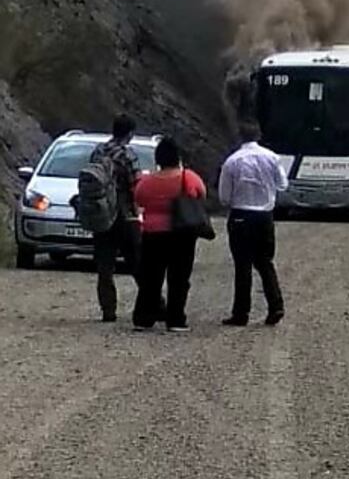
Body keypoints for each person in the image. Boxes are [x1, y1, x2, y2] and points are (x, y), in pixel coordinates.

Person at [132, 137, 206, 332]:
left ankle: (144, 317)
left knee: (150, 277)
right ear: (178, 157)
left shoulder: (147, 182)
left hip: (153, 233)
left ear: (158, 159)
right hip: (182, 233)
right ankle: (176, 319)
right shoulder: (188, 177)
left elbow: (138, 199)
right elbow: (201, 194)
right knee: (179, 278)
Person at [218, 123, 288, 327]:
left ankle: (241, 313)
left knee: (243, 266)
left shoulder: (232, 162)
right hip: (265, 215)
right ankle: (276, 305)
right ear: (258, 136)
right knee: (266, 262)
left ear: (239, 137)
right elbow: (283, 184)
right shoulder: (272, 158)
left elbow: (224, 197)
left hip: (241, 215)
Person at [90, 114, 142, 322]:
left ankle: (108, 310)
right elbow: (136, 186)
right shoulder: (127, 156)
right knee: (137, 263)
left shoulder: (98, 152)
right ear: (130, 134)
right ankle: (155, 302)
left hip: (102, 214)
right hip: (125, 215)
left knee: (105, 267)